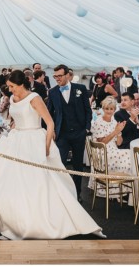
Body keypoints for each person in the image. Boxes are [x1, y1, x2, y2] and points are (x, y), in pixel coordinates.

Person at [0, 70, 104, 240]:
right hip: (16, 140)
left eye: (12, 86)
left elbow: (50, 123)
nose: (9, 90)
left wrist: (46, 147)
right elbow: (14, 119)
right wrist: (11, 132)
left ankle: (39, 222)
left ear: (21, 84)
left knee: (37, 183)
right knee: (11, 181)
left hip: (34, 140)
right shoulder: (12, 98)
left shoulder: (34, 98)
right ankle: (13, 221)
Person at [46, 64, 92, 200]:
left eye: (60, 76)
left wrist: (87, 128)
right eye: (55, 76)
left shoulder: (81, 89)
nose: (57, 79)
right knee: (60, 164)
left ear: (67, 75)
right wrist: (52, 130)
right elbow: (49, 113)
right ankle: (62, 194)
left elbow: (87, 110)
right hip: (62, 135)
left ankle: (77, 194)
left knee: (78, 165)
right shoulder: (52, 92)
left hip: (79, 133)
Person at [87, 97, 129, 197]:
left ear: (114, 110)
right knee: (127, 155)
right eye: (107, 108)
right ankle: (115, 190)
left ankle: (121, 188)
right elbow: (102, 143)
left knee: (128, 153)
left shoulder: (115, 122)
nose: (109, 111)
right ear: (103, 108)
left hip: (113, 149)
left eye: (111, 109)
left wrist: (119, 133)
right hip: (101, 152)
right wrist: (115, 131)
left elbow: (119, 143)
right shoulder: (98, 122)